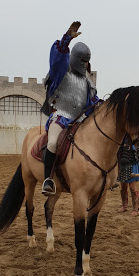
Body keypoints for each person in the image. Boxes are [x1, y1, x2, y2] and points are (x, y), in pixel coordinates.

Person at [41, 21, 100, 196]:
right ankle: (48, 180)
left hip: (80, 122)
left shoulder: (88, 81)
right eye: (82, 60)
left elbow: (93, 102)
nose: (84, 63)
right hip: (60, 117)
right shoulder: (62, 72)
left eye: (86, 61)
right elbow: (57, 59)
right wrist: (66, 39)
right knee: (52, 143)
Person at [117, 135, 139, 216]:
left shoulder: (136, 142)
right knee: (123, 187)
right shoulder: (121, 140)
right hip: (123, 167)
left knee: (132, 188)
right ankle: (124, 206)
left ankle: (136, 209)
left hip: (133, 166)